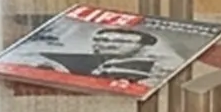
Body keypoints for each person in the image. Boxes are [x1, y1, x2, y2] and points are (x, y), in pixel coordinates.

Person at [32, 25, 162, 81]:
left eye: (123, 41)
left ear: (142, 46)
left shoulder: (156, 68)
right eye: (102, 40)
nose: (109, 44)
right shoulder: (64, 63)